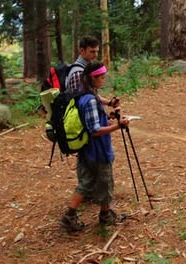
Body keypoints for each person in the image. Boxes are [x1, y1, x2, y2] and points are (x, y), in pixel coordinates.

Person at [60, 61, 129, 232]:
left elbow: (93, 121)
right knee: (105, 181)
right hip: (98, 150)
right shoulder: (90, 100)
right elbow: (95, 130)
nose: (104, 80)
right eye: (102, 77)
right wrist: (118, 126)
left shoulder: (83, 94)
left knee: (86, 182)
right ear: (93, 78)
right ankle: (105, 216)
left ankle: (69, 216)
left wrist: (110, 116)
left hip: (85, 149)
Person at [67, 35, 119, 202]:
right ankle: (90, 193)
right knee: (90, 158)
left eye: (97, 51)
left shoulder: (88, 69)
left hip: (89, 121)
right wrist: (111, 123)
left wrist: (108, 103)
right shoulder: (77, 73)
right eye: (91, 51)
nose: (95, 54)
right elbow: (84, 98)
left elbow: (92, 94)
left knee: (91, 159)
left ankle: (91, 191)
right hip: (83, 125)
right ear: (82, 51)